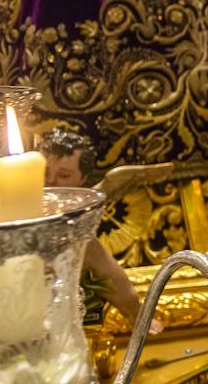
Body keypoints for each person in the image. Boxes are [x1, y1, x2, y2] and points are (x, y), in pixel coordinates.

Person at [40, 129, 159, 333]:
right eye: (44, 173)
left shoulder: (77, 229)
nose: (50, 182)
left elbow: (114, 280)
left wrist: (136, 315)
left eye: (63, 175)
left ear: (82, 178)